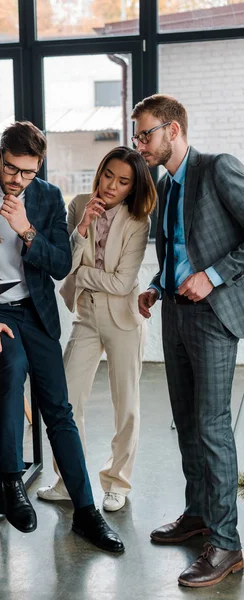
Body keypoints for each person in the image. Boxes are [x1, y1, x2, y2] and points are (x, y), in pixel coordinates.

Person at [0, 120, 124, 553]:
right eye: (12, 170)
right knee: (10, 373)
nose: (19, 179)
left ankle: (85, 510)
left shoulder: (46, 196)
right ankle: (10, 481)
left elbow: (61, 264)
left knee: (59, 409)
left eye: (28, 171)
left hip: (35, 312)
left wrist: (27, 230)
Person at [133, 94, 244, 588]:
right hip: (175, 316)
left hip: (213, 316)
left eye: (145, 134)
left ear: (172, 130)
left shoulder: (217, 168)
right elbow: (176, 251)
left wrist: (214, 276)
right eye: (137, 136)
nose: (139, 145)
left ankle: (226, 543)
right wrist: (157, 286)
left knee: (213, 425)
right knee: (186, 422)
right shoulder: (164, 183)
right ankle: (198, 514)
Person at [36, 146, 156, 512]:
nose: (111, 186)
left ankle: (117, 481)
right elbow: (63, 264)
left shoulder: (139, 220)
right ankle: (68, 480)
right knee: (65, 401)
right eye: (109, 175)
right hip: (86, 315)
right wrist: (83, 227)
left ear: (132, 188)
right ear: (100, 171)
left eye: (123, 182)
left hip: (123, 318)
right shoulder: (78, 205)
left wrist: (83, 275)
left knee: (127, 406)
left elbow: (122, 284)